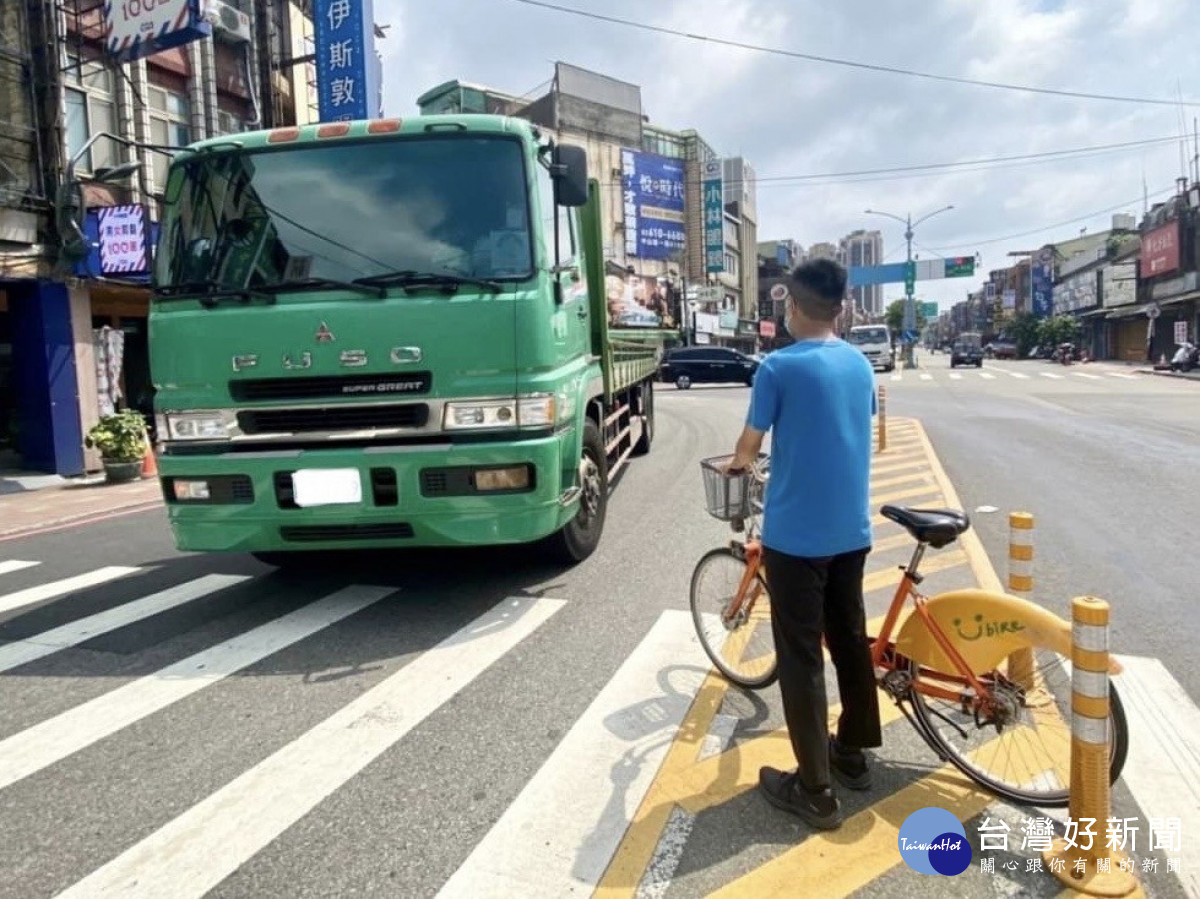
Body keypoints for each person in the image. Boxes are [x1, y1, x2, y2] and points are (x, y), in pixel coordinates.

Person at [724, 258, 881, 831]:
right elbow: (854, 426)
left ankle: (814, 789)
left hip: (795, 539)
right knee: (848, 641)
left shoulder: (778, 367)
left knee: (800, 657)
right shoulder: (861, 365)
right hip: (851, 533)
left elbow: (749, 443)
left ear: (791, 306)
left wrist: (742, 464)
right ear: (840, 308)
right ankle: (854, 756)